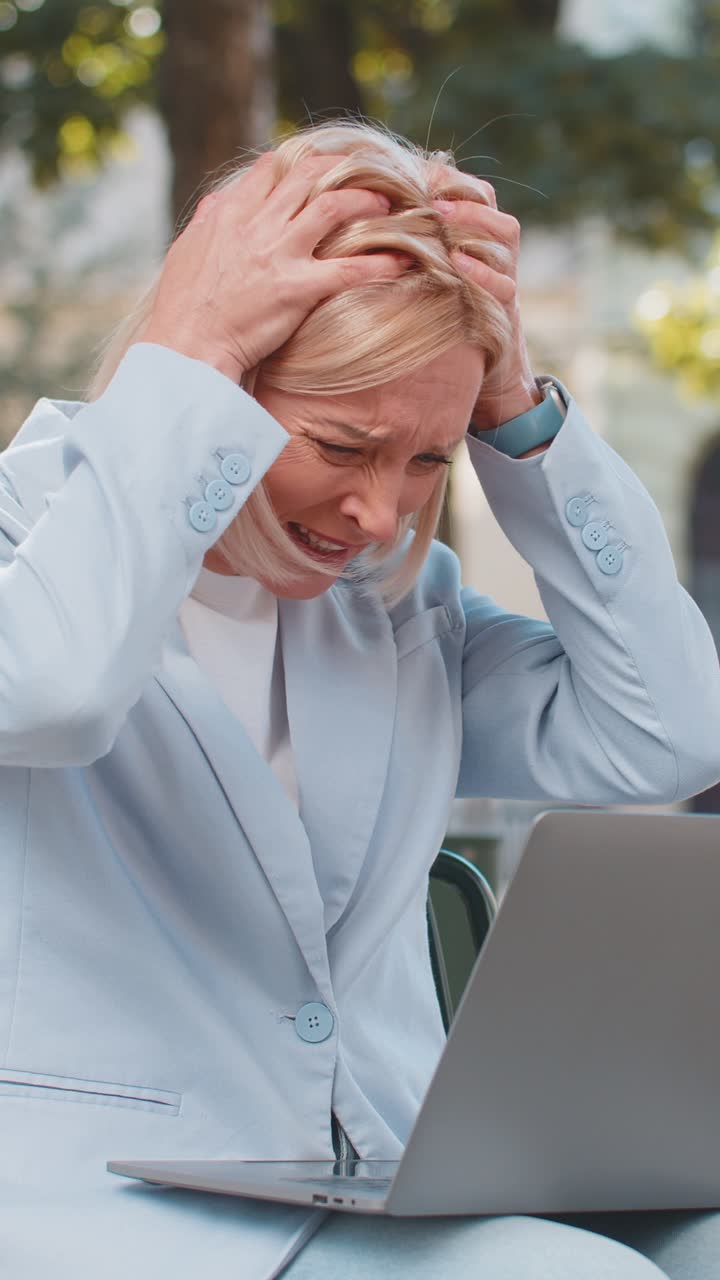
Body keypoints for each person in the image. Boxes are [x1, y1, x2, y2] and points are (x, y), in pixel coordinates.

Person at [1, 120, 719, 1280]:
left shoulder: (391, 612)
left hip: (371, 1175)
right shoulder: (25, 551)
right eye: (342, 444)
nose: (379, 515)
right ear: (219, 382)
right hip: (98, 1202)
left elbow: (670, 733)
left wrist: (515, 410)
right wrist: (183, 348)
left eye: (427, 458)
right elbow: (55, 688)